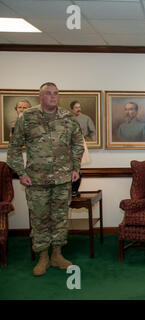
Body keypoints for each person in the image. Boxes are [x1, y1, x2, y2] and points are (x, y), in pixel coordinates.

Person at [7, 82, 84, 277]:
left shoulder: (67, 117)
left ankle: (57, 255)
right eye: (48, 93)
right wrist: (21, 172)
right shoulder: (28, 117)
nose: (53, 96)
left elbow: (77, 143)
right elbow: (14, 148)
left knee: (59, 218)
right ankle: (43, 256)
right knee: (39, 219)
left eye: (56, 93)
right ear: (40, 96)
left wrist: (75, 167)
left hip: (62, 179)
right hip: (37, 180)